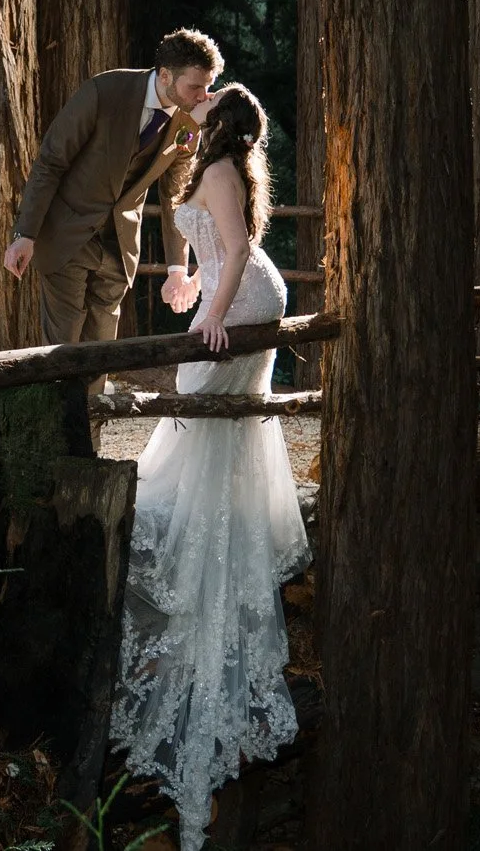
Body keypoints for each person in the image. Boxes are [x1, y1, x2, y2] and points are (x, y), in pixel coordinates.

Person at [108, 85, 308, 851]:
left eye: (201, 108)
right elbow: (217, 253)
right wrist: (188, 285)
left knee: (191, 409)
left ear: (217, 123)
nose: (188, 115)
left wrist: (214, 313)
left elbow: (236, 251)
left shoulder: (221, 170)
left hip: (247, 296)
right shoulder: (221, 165)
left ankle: (205, 563)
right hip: (245, 288)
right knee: (202, 428)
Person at [4, 29, 222, 346]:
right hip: (67, 235)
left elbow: (174, 197)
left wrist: (177, 269)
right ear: (165, 76)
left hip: (119, 249)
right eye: (195, 87)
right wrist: (25, 234)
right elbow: (51, 161)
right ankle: (65, 398)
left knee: (103, 348)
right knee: (63, 351)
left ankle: (95, 398)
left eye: (208, 87)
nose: (203, 96)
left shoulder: (188, 125)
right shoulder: (104, 91)